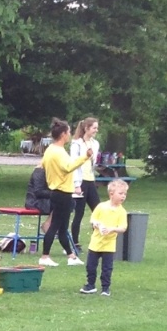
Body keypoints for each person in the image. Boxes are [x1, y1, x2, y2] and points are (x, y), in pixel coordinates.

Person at [39, 118, 90, 267]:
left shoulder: (50, 149)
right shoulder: (59, 152)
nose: (70, 134)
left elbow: (43, 165)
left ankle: (71, 256)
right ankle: (45, 256)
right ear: (63, 134)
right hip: (62, 193)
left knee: (62, 228)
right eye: (68, 132)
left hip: (57, 191)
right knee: (55, 226)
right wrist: (85, 157)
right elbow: (68, 167)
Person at [80, 176, 128, 297]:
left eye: (125, 194)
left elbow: (123, 227)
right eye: (120, 193)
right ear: (111, 194)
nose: (123, 196)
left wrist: (112, 229)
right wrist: (98, 225)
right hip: (95, 243)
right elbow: (93, 219)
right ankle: (90, 285)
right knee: (91, 266)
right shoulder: (101, 206)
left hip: (109, 245)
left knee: (107, 268)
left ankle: (105, 288)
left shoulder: (122, 212)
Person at [69, 117, 102, 251]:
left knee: (98, 210)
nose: (96, 130)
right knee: (79, 213)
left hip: (90, 180)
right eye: (94, 128)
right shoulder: (76, 144)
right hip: (80, 181)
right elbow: (74, 165)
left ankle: (98, 240)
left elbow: (93, 163)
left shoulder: (95, 143)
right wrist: (76, 185)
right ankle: (75, 243)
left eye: (97, 128)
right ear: (86, 128)